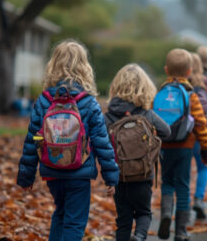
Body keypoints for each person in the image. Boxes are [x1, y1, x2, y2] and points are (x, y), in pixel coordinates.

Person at [16, 40, 119, 241]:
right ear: (84, 67)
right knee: (74, 222)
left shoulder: (44, 100)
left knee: (60, 213)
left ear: (53, 65)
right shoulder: (89, 102)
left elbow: (33, 139)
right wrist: (111, 177)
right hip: (79, 173)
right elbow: (101, 142)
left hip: (52, 170)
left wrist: (26, 176)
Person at [104, 64, 171, 241]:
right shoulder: (146, 114)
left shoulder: (109, 116)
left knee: (123, 220)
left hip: (119, 176)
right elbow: (166, 131)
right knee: (144, 213)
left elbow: (100, 140)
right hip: (143, 175)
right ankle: (140, 236)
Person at [156, 49, 207, 241]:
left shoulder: (160, 93)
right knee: (182, 186)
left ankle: (165, 215)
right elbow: (200, 123)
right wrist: (206, 147)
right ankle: (180, 231)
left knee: (167, 183)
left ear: (166, 70)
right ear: (189, 72)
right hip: (185, 147)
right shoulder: (191, 95)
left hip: (164, 146)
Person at [188, 53, 207, 220]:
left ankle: (177, 205)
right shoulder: (204, 85)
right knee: (204, 167)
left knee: (182, 172)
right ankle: (198, 198)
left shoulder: (178, 86)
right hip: (199, 135)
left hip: (180, 137)